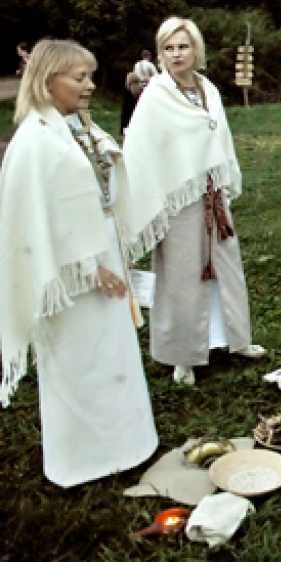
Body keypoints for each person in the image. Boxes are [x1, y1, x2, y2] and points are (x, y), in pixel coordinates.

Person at [0, 39, 158, 487]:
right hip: (69, 271)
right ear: (48, 81)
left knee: (114, 354)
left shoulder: (75, 127)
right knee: (79, 361)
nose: (89, 85)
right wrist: (90, 268)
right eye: (79, 78)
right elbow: (40, 220)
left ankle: (126, 445)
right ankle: (84, 459)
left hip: (104, 248)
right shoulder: (35, 140)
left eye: (89, 76)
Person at [123, 17, 265, 385]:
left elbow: (218, 138)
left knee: (226, 269)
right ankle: (182, 355)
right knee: (183, 275)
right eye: (168, 48)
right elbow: (139, 151)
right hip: (178, 196)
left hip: (212, 194)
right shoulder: (156, 94)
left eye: (183, 46)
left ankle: (234, 339)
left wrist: (219, 178)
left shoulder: (207, 90)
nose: (176, 54)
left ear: (196, 49)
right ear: (160, 53)